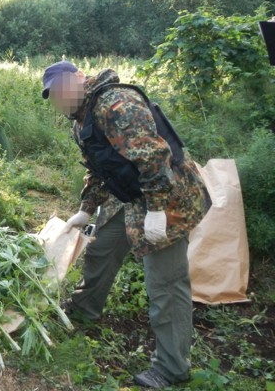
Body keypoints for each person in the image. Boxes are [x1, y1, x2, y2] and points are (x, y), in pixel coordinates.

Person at [42, 61, 210, 389]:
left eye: (63, 88)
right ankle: (85, 309)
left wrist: (158, 211)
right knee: (101, 247)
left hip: (168, 195)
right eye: (54, 95)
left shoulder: (116, 105)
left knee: (166, 283)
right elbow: (99, 167)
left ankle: (172, 367)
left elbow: (154, 157)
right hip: (134, 196)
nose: (61, 98)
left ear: (79, 78)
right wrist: (86, 210)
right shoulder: (81, 119)